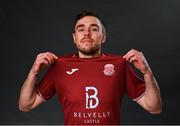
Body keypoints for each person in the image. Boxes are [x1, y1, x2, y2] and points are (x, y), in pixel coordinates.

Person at [19, 10, 162, 125]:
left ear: (103, 36)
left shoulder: (119, 64)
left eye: (94, 29)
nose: (87, 33)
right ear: (74, 38)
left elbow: (154, 107)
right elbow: (26, 105)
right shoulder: (60, 65)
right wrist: (33, 72)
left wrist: (147, 72)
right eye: (81, 29)